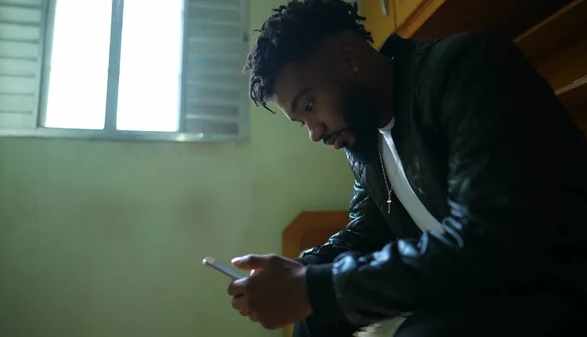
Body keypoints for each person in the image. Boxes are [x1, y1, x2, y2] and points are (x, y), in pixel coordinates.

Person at [227, 0, 587, 336]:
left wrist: (318, 286)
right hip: (485, 287)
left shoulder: (466, 69)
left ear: (348, 60)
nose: (314, 132)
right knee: (312, 320)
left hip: (556, 281)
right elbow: (368, 232)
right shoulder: (365, 141)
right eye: (300, 119)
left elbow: (490, 241)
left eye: (309, 104)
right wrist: (302, 270)